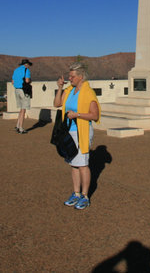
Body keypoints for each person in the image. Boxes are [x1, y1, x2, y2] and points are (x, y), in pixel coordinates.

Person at [53, 62, 100, 210]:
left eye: (72, 76)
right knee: (73, 163)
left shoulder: (88, 93)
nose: (69, 78)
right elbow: (56, 104)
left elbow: (95, 115)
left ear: (80, 77)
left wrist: (77, 114)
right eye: (69, 75)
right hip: (68, 131)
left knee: (83, 165)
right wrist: (60, 87)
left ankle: (85, 196)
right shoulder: (68, 90)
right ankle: (76, 193)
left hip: (82, 131)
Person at [12, 59, 32, 134]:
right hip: (23, 91)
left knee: (21, 109)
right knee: (23, 109)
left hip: (17, 90)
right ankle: (21, 128)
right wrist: (30, 80)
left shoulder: (16, 70)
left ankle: (17, 125)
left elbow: (13, 81)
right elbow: (27, 80)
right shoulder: (26, 70)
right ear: (26, 64)